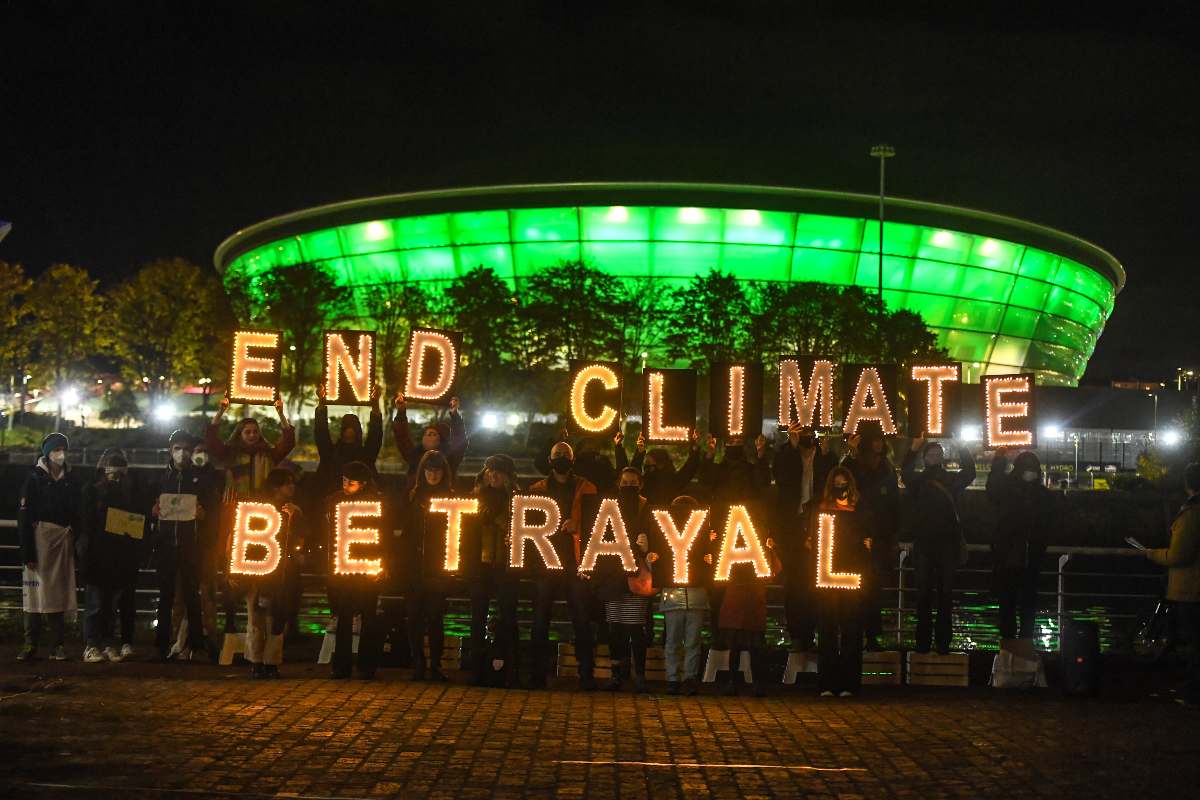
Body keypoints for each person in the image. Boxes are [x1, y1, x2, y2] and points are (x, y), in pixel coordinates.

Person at [205, 393, 295, 638]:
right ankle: (232, 621)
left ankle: (260, 608)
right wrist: (220, 412)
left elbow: (288, 442)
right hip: (234, 514)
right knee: (231, 564)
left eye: (255, 432)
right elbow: (212, 442)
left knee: (262, 563)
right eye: (248, 432)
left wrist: (280, 413)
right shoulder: (229, 455)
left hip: (262, 516)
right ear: (240, 434)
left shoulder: (268, 455)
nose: (253, 435)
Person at [527, 441, 598, 690]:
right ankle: (537, 673)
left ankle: (586, 674)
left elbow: (597, 521)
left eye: (565, 455)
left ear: (572, 459)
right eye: (557, 454)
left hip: (576, 563)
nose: (561, 458)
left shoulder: (587, 488)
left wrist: (578, 524)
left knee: (581, 619)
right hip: (545, 564)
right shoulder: (536, 489)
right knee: (540, 619)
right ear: (549, 459)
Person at [901, 439, 976, 654]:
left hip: (929, 544)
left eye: (937, 454)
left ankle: (925, 643)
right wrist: (962, 446)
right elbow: (969, 473)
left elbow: (906, 474)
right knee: (938, 595)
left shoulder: (919, 481)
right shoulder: (949, 480)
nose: (934, 457)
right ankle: (941, 643)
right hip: (943, 545)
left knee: (931, 595)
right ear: (926, 458)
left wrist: (913, 450)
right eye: (931, 454)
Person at [149, 430, 215, 662]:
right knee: (165, 597)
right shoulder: (160, 478)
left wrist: (203, 513)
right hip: (165, 545)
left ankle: (196, 646)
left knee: (192, 597)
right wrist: (153, 512)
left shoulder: (199, 479)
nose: (183, 453)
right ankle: (161, 645)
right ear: (170, 450)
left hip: (190, 546)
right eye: (178, 448)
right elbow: (148, 507)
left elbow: (211, 509)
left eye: (186, 449)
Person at [771, 425, 836, 653]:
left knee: (815, 584)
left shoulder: (824, 457)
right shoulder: (786, 456)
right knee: (794, 583)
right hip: (793, 526)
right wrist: (791, 447)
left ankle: (811, 633)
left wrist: (827, 455)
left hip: (818, 525)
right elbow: (780, 476)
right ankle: (797, 634)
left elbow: (832, 482)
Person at [17, 433, 80, 662]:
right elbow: (24, 518)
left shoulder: (70, 479)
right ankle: (30, 644)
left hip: (61, 544)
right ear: (47, 453)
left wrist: (74, 532)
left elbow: (76, 510)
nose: (60, 454)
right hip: (38, 544)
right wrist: (28, 553)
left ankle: (57, 645)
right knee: (33, 593)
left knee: (57, 595)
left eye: (63, 449)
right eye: (56, 449)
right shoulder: (33, 479)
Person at [811, 467, 872, 697]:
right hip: (827, 576)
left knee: (851, 630)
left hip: (851, 576)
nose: (840, 488)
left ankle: (849, 683)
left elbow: (867, 539)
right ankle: (827, 683)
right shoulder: (821, 510)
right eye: (836, 484)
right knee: (828, 630)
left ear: (850, 484)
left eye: (843, 483)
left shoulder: (859, 510)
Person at [1143, 462, 1200, 707]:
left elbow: (1179, 555)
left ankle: (1192, 693)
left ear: (1188, 484)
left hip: (1190, 589)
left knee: (1193, 644)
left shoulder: (1192, 513)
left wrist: (1153, 554)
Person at [78, 450, 142, 663]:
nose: (116, 480)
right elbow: (85, 525)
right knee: (96, 604)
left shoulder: (129, 494)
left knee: (110, 605)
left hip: (118, 558)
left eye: (120, 476)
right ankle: (90, 645)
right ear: (104, 472)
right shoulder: (91, 491)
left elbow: (134, 522)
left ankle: (106, 643)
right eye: (112, 475)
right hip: (97, 556)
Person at [326, 461, 388, 679]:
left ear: (363, 484)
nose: (346, 485)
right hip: (343, 568)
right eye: (344, 480)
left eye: (351, 483)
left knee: (368, 617)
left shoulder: (376, 503)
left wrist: (382, 564)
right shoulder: (334, 501)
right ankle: (342, 666)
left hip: (367, 568)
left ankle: (365, 666)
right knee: (343, 617)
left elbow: (384, 537)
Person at [986, 449, 1056, 640]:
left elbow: (992, 487)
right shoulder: (1041, 496)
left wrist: (999, 460)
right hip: (1023, 555)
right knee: (1020, 603)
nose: (1031, 473)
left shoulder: (1009, 491)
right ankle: (1019, 644)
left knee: (1012, 603)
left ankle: (1014, 644)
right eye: (1029, 469)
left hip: (1016, 555)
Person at [400, 450, 457, 682]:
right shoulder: (412, 497)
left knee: (434, 617)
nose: (433, 475)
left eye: (437, 470)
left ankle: (433, 663)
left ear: (444, 473)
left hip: (437, 566)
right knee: (414, 617)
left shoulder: (450, 498)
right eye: (429, 470)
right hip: (415, 566)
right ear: (422, 472)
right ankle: (419, 663)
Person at [465, 454, 522, 687]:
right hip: (480, 566)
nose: (493, 475)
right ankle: (476, 669)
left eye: (499, 471)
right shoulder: (475, 498)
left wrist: (498, 520)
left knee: (508, 617)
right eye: (490, 470)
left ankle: (510, 668)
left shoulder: (516, 501)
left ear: (508, 476)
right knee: (477, 618)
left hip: (505, 567)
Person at [598, 468, 656, 693]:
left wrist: (647, 547)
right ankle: (618, 673)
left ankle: (638, 674)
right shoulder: (609, 507)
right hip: (614, 575)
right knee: (616, 628)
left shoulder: (647, 508)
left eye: (633, 482)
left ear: (640, 485)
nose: (629, 485)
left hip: (636, 574)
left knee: (635, 628)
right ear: (619, 483)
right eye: (626, 482)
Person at [243, 468, 304, 679]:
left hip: (281, 572)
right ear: (277, 486)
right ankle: (257, 661)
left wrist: (297, 517)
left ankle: (270, 661)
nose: (292, 487)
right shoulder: (261, 510)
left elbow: (301, 538)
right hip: (260, 570)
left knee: (277, 617)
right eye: (288, 483)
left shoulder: (293, 511)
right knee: (257, 617)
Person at [842, 428, 900, 648]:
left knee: (871, 588)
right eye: (875, 439)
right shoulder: (879, 468)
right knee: (863, 587)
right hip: (863, 535)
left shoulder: (884, 469)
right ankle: (863, 634)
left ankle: (867, 634)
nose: (878, 444)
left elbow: (894, 505)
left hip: (873, 536)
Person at [168, 439, 223, 659]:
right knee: (180, 596)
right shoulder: (184, 477)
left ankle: (209, 641)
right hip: (184, 545)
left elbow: (217, 512)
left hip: (205, 545)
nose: (199, 455)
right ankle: (179, 643)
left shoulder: (216, 479)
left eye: (203, 451)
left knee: (207, 595)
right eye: (196, 451)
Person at [715, 525, 780, 698]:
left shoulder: (734, 551)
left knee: (747, 647)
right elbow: (773, 573)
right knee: (745, 647)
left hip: (746, 602)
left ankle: (740, 683)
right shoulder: (737, 551)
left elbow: (772, 572)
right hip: (743, 602)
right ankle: (743, 683)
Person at [658, 495, 712, 695]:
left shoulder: (665, 534)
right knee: (684, 641)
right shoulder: (666, 536)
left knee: (682, 641)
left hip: (686, 596)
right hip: (688, 596)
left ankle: (681, 678)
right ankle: (681, 678)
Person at [314, 382, 384, 501]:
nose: (349, 429)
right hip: (333, 498)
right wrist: (321, 401)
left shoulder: (366, 454)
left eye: (352, 426)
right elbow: (321, 434)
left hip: (361, 502)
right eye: (347, 426)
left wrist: (375, 402)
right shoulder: (331, 453)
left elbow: (375, 435)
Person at [392, 393, 468, 484]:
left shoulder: (450, 458)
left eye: (433, 434)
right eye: (427, 434)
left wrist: (455, 415)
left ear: (440, 440)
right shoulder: (415, 456)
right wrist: (401, 412)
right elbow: (402, 438)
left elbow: (460, 440)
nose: (428, 437)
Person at [614, 429, 702, 506]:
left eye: (648, 463)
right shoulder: (672, 481)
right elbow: (632, 472)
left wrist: (638, 452)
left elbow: (689, 468)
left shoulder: (648, 481)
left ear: (660, 464)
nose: (646, 466)